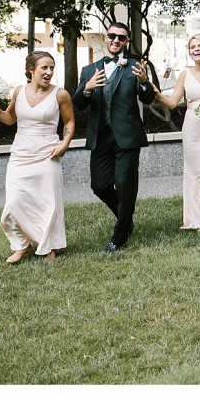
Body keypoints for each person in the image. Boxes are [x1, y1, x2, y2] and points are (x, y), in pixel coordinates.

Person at [73, 22, 155, 252]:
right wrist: (87, 88)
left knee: (125, 185)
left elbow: (148, 99)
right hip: (100, 136)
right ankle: (125, 217)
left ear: (127, 42)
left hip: (127, 137)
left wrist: (144, 82)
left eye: (121, 38)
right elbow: (78, 103)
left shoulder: (135, 67)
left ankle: (120, 236)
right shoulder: (89, 70)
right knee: (99, 185)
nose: (116, 40)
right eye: (112, 36)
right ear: (106, 38)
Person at [0, 51, 74, 263]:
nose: (49, 72)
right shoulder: (19, 91)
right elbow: (10, 119)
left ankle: (49, 246)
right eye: (44, 68)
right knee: (14, 202)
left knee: (47, 202)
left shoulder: (60, 94)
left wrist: (64, 145)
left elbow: (69, 123)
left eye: (52, 68)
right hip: (21, 154)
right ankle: (22, 245)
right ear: (31, 69)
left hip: (47, 153)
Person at [151, 34, 200, 231]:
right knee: (194, 173)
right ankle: (197, 218)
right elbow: (173, 103)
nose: (197, 49)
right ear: (189, 51)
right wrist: (157, 94)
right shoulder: (185, 74)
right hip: (192, 126)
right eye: (193, 47)